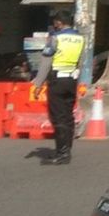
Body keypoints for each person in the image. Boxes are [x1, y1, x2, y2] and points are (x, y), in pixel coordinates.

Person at [31, 10, 85, 165]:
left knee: (58, 117)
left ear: (59, 23)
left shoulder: (56, 38)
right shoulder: (79, 38)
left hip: (57, 83)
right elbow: (80, 62)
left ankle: (62, 154)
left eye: (55, 22)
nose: (54, 25)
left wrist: (38, 84)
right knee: (68, 117)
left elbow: (46, 62)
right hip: (71, 81)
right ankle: (66, 150)